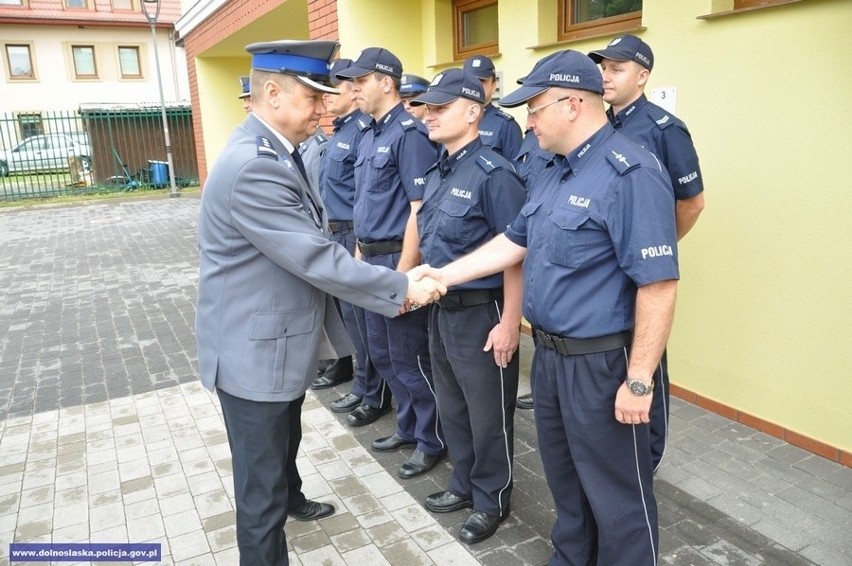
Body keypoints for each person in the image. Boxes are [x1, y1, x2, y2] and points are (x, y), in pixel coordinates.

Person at [413, 49, 679, 565]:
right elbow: (514, 243)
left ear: (573, 103)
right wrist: (441, 275)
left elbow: (659, 285)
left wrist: (640, 378)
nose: (526, 121)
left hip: (603, 363)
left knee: (618, 496)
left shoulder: (631, 173)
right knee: (566, 483)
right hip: (553, 361)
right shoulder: (552, 171)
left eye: (534, 109)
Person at [195, 39, 445, 566]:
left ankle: (294, 496)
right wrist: (403, 289)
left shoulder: (271, 152)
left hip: (272, 346)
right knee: (258, 498)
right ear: (272, 93)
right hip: (251, 354)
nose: (324, 107)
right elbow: (315, 257)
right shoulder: (253, 166)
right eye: (313, 97)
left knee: (284, 445)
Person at [409, 68, 526, 544]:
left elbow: (518, 252)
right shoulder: (442, 168)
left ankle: (490, 498)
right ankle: (463, 483)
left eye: (441, 108)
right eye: (428, 108)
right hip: (443, 310)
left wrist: (511, 323)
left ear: (474, 112)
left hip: (484, 313)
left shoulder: (495, 174)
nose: (429, 115)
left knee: (488, 414)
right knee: (453, 409)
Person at [589, 34, 705, 470]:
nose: (606, 75)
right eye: (603, 67)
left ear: (643, 76)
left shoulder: (663, 129)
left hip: (639, 272)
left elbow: (691, 202)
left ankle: (647, 457)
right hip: (602, 272)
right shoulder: (599, 124)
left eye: (617, 68)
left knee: (646, 354)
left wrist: (652, 251)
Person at [335, 47, 446, 479]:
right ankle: (408, 425)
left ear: (386, 82)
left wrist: (402, 276)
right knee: (381, 353)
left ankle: (431, 438)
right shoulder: (368, 133)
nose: (353, 89)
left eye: (361, 81)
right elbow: (366, 204)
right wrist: (360, 258)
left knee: (408, 357)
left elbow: (419, 209)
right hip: (371, 256)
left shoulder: (408, 134)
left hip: (397, 260)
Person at [314, 58, 389, 418]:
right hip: (336, 235)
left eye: (337, 88)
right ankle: (362, 385)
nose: (328, 96)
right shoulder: (340, 131)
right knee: (352, 321)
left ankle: (373, 393)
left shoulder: (362, 130)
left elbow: (366, 194)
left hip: (353, 236)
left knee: (363, 320)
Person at [513, 128, 555, 411]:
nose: (531, 118)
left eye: (538, 107)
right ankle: (543, 390)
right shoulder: (535, 140)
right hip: (531, 244)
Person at [463, 55, 522, 160]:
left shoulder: (505, 125)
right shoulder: (451, 118)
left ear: (494, 86)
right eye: (471, 80)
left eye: (482, 81)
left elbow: (514, 172)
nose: (476, 85)